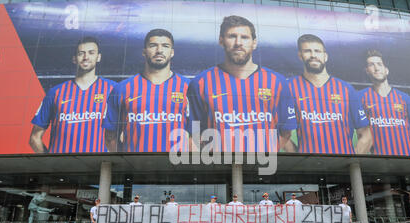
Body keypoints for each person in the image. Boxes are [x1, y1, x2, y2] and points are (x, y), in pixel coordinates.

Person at [186, 15, 297, 153]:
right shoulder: (200, 83)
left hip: (263, 169)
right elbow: (195, 135)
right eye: (232, 36)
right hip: (218, 168)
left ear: (254, 43)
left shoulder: (278, 82)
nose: (238, 42)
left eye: (244, 37)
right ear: (221, 41)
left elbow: (285, 133)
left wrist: (262, 156)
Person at [103, 29, 190, 152]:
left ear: (172, 52)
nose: (159, 50)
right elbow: (110, 136)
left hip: (178, 168)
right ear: (144, 52)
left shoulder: (190, 87)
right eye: (153, 45)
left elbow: (197, 134)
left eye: (165, 46)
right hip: (134, 169)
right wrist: (125, 162)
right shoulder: (121, 89)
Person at [288, 34, 373, 155]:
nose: (313, 55)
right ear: (300, 56)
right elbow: (278, 130)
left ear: (325, 56)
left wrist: (351, 161)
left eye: (317, 51)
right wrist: (297, 157)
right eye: (307, 51)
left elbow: (366, 133)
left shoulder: (346, 89)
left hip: (343, 169)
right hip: (307, 167)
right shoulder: (289, 87)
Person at [30, 37, 116, 154]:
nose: (86, 57)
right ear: (74, 59)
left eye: (91, 53)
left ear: (98, 57)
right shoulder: (55, 92)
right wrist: (49, 164)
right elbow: (35, 137)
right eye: (81, 53)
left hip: (100, 167)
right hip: (62, 169)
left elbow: (124, 134)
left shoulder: (114, 89)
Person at [360, 50, 410, 156]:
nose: (376, 68)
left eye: (379, 64)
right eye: (371, 65)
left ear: (386, 70)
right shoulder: (360, 97)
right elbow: (359, 134)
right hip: (377, 166)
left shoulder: (405, 98)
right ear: (367, 71)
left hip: (405, 165)